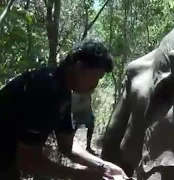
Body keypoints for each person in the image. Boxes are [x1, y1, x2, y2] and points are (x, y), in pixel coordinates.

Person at [0, 38, 128, 180]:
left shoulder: (63, 93)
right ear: (79, 67)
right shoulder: (43, 89)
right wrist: (82, 175)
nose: (96, 84)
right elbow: (28, 160)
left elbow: (68, 145)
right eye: (96, 77)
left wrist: (104, 166)